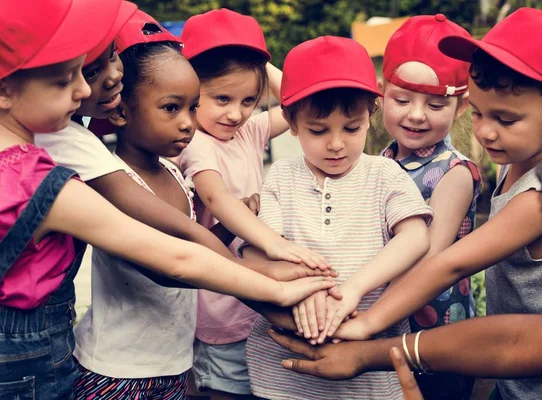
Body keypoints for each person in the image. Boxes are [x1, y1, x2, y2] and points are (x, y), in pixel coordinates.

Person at [0, 1, 336, 398]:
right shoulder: (47, 175)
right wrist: (273, 289)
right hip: (76, 365)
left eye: (95, 65)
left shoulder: (135, 159)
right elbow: (174, 257)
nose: (86, 88)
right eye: (69, 77)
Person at [269, 8, 542, 400]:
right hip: (515, 373)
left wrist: (367, 322)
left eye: (506, 120)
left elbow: (450, 262)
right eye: (478, 113)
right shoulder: (517, 163)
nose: (485, 131)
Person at [242, 35, 433, 400]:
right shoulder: (282, 176)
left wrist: (352, 290)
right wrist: (302, 294)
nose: (335, 144)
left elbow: (415, 237)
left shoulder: (384, 174)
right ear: (291, 121)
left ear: (370, 115)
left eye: (351, 128)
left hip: (370, 370)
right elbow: (262, 252)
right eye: (318, 130)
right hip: (285, 373)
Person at [177, 10, 329, 398]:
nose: (235, 112)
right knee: (227, 389)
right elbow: (216, 197)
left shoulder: (248, 130)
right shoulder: (195, 141)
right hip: (221, 304)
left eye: (248, 99)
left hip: (259, 299)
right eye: (221, 98)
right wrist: (275, 243)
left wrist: (258, 60)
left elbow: (304, 100)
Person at [72, 12, 198, 399]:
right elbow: (167, 266)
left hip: (172, 364)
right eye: (171, 108)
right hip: (117, 372)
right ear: (122, 112)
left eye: (193, 107)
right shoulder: (114, 181)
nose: (188, 123)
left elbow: (191, 247)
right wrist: (266, 291)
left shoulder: (175, 174)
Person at [374, 14, 481, 399]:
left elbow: (429, 258)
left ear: (462, 105)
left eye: (435, 105)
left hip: (436, 344)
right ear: (380, 92)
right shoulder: (380, 161)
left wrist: (366, 316)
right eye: (402, 100)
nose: (416, 114)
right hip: (386, 332)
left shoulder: (454, 172)